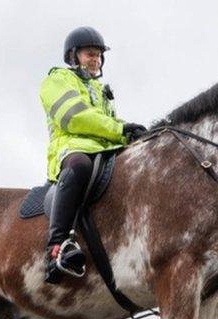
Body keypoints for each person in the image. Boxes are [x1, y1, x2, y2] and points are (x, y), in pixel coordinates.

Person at [39, 26, 147, 284]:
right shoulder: (57, 80)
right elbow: (75, 117)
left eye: (99, 56)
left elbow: (107, 122)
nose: (96, 60)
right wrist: (120, 130)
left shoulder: (100, 91)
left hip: (104, 149)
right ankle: (57, 248)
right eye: (90, 54)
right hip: (72, 148)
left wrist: (130, 133)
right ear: (73, 56)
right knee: (80, 166)